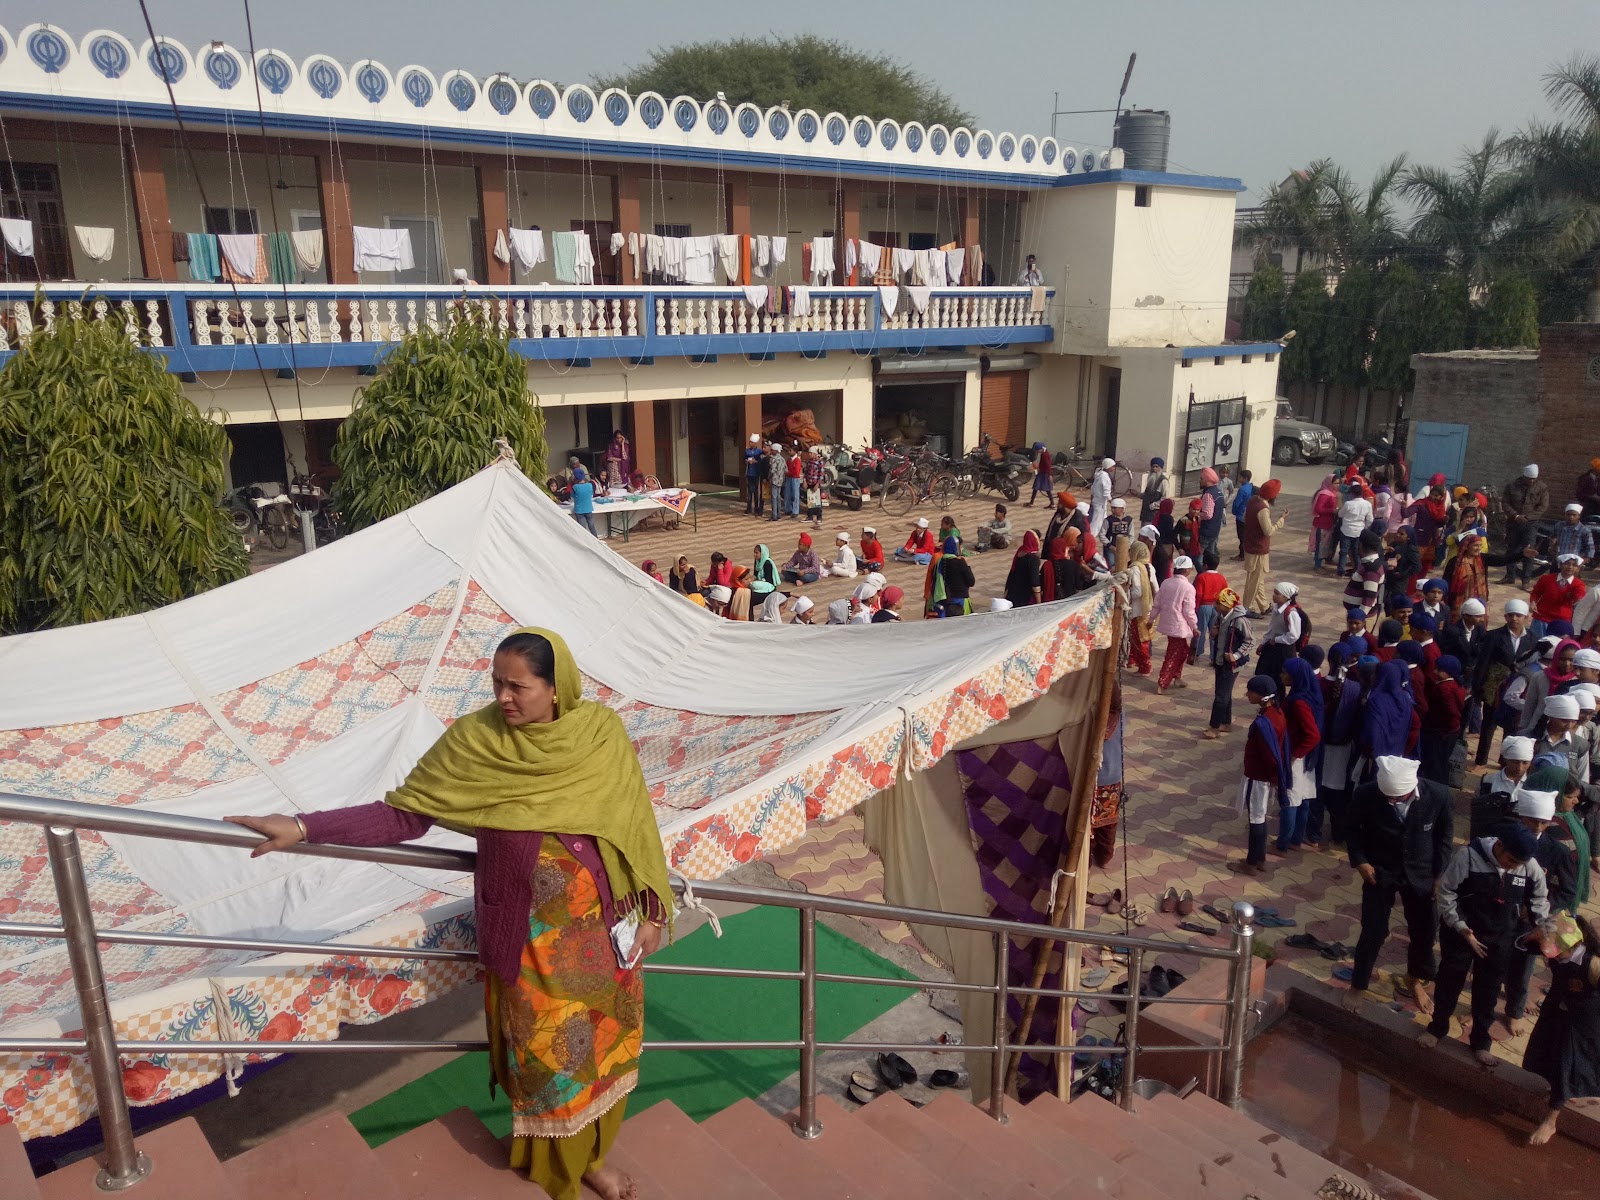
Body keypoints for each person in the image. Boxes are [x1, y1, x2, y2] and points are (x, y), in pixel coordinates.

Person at [227, 629, 671, 1200]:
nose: (504, 697)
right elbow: (404, 817)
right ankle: (558, 1172)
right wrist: (306, 827)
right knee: (552, 1063)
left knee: (606, 1048)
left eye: (518, 687)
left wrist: (652, 911)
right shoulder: (476, 741)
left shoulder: (600, 734)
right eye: (497, 684)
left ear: (557, 689)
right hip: (532, 948)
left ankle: (592, 1156)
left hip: (607, 937)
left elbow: (635, 824)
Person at [1422, 822, 1549, 1064]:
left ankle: (1481, 1041)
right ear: (1500, 846)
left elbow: (1538, 900)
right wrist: (1461, 928)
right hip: (1462, 933)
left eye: (1518, 864)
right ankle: (1437, 1028)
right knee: (1450, 982)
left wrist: (1543, 929)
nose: (1512, 867)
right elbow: (1447, 893)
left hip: (1501, 936)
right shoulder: (1468, 856)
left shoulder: (1528, 866)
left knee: (1488, 991)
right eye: (1510, 860)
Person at [1343, 755, 1455, 1014]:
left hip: (1421, 872)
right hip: (1379, 870)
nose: (1393, 802)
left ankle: (1414, 979)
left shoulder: (1439, 795)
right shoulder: (1366, 794)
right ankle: (1358, 985)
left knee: (1425, 932)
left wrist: (1439, 875)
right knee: (1373, 931)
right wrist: (1360, 861)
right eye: (1389, 799)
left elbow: (1445, 838)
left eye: (1399, 798)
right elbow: (1351, 829)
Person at [1522, 914, 1600, 1147]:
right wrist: (1532, 935)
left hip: (1583, 1025)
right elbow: (1522, 946)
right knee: (1549, 1055)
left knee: (1568, 1064)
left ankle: (1551, 1120)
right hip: (1558, 1014)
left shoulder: (1593, 964)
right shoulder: (1559, 956)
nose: (1548, 955)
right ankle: (1557, 1087)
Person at [1230, 674, 1290, 875]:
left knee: (1256, 818)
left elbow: (1269, 755)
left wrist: (1272, 777)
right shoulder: (1276, 713)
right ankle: (1260, 858)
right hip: (1264, 777)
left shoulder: (1266, 723)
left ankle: (1251, 862)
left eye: (1250, 691)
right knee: (1260, 816)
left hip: (1259, 778)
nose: (1247, 694)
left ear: (1261, 695)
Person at [1315, 643, 1364, 847]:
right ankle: (1338, 833)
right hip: (1343, 747)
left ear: (1329, 661)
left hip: (1321, 745)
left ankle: (1314, 832)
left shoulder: (1319, 685)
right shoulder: (1354, 688)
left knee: (1319, 788)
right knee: (1338, 792)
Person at [1474, 598, 1533, 765]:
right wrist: (1478, 689)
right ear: (1506, 616)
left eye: (1518, 615)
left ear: (1525, 618)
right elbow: (1483, 663)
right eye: (1511, 615)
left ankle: (1504, 760)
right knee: (1489, 724)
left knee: (1511, 726)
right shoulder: (1494, 636)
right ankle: (1481, 759)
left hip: (1517, 688)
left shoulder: (1533, 639)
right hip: (1495, 687)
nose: (1514, 618)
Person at [1278, 658, 1324, 853]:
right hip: (1309, 757)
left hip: (1297, 756)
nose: (1282, 676)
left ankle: (1283, 843)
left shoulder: (1298, 702)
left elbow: (1312, 734)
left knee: (1290, 799)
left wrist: (1294, 755)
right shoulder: (1309, 695)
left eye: (1284, 672)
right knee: (1303, 798)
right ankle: (1296, 839)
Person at [1206, 589, 1252, 739]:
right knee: (1223, 693)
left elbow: (1250, 641)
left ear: (1226, 605)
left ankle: (1214, 727)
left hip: (1231, 664)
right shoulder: (1221, 617)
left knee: (1221, 696)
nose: (1215, 605)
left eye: (1218, 603)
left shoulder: (1239, 620)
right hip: (1220, 661)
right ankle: (1225, 722)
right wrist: (1214, 633)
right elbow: (1219, 634)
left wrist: (1236, 655)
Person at [1152, 555, 1199, 695]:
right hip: (1179, 626)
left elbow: (1157, 603)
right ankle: (1162, 682)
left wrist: (1151, 619)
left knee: (1183, 651)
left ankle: (1177, 677)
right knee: (1173, 654)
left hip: (1168, 623)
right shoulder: (1188, 587)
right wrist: (1194, 626)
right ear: (1187, 570)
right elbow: (1188, 611)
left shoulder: (1166, 583)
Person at [1474, 735, 1536, 837]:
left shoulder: (1533, 785)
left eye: (1525, 763)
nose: (1520, 768)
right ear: (1506, 759)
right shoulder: (1488, 781)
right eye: (1515, 762)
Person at [1419, 654, 1467, 785]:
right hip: (1447, 732)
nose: (1435, 672)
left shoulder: (1444, 689)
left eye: (1439, 670)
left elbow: (1451, 713)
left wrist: (1447, 731)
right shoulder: (1456, 686)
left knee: (1436, 765)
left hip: (1440, 732)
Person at [1501, 464, 1550, 588]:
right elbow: (1505, 503)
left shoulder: (1542, 487)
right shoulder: (1512, 486)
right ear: (1524, 476)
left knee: (1529, 550)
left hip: (1531, 524)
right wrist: (1515, 516)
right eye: (1529, 478)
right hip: (1514, 522)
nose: (1531, 481)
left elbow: (1542, 506)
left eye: (1533, 479)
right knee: (1511, 549)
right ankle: (1510, 576)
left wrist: (1528, 517)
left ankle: (1526, 580)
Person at [1241, 479, 1287, 613]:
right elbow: (1268, 531)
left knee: (1258, 578)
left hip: (1250, 545)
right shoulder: (1263, 509)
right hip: (1258, 549)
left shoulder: (1253, 500)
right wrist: (1281, 520)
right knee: (1253, 582)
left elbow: (1245, 519)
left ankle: (1264, 606)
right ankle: (1246, 608)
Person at [1256, 582, 1305, 682]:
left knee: (1278, 678)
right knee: (1264, 673)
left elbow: (1294, 635)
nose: (1274, 595)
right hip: (1272, 647)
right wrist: (1263, 642)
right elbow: (1271, 628)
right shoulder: (1276, 609)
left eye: (1277, 594)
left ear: (1286, 596)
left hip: (1283, 651)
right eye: (1274, 592)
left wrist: (1277, 639)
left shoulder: (1291, 613)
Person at [1532, 553, 1587, 637]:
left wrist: (1576, 598)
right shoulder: (1546, 579)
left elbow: (1579, 597)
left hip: (1562, 622)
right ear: (1560, 565)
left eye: (1574, 565)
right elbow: (1536, 592)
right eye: (1567, 564)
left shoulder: (1579, 584)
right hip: (1542, 618)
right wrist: (1533, 602)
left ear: (1578, 569)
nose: (1570, 567)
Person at [1126, 541, 1157, 676]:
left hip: (1137, 610)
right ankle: (1135, 661)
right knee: (1142, 638)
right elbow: (1156, 588)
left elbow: (1137, 592)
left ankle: (1145, 667)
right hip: (1148, 608)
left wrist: (1125, 595)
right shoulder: (1149, 566)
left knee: (1139, 639)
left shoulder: (1134, 569)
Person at [1191, 552, 1227, 662]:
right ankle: (1214, 656)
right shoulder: (1221, 578)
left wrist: (1195, 608)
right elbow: (1225, 593)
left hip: (1203, 606)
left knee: (1200, 630)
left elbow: (1199, 594)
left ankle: (1196, 653)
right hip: (1217, 607)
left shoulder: (1202, 577)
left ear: (1205, 565)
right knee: (1215, 631)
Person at [1336, 482, 1374, 576]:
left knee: (1344, 551)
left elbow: (1340, 514)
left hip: (1346, 530)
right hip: (1359, 530)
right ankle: (1357, 570)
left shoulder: (1348, 504)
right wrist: (1365, 527)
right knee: (1357, 551)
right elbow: (1370, 519)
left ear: (1352, 493)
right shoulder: (1367, 504)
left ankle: (1340, 570)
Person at [937, 536, 975, 617]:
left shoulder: (940, 561)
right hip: (959, 599)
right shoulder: (960, 562)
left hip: (945, 598)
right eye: (960, 547)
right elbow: (971, 581)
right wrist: (967, 566)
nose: (961, 549)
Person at [1005, 531, 1043, 607]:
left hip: (1015, 591)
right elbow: (1034, 581)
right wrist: (1039, 602)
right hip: (1026, 595)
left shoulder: (1021, 551)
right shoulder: (1033, 559)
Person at [1310, 473, 1340, 571]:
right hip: (1322, 523)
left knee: (1325, 544)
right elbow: (1319, 509)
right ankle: (1317, 565)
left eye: (1338, 483)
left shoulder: (1332, 494)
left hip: (1328, 523)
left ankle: (1322, 561)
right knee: (1320, 544)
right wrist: (1332, 510)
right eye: (1335, 483)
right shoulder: (1324, 494)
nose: (1337, 485)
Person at [1230, 469, 1256, 561]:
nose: (1239, 478)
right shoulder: (1251, 487)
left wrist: (1234, 511)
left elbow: (1237, 503)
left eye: (1241, 477)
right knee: (1246, 535)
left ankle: (1242, 554)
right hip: (1248, 515)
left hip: (1241, 516)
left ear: (1245, 478)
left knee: (1241, 536)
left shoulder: (1242, 489)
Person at [1087, 458, 1115, 540]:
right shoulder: (1104, 477)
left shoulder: (1099, 474)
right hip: (1100, 503)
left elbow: (1093, 488)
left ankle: (1104, 536)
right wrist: (1112, 502)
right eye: (1113, 466)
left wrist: (1092, 498)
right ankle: (1090, 538)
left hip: (1098, 502)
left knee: (1104, 521)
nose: (1114, 468)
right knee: (1096, 523)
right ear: (1108, 467)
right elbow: (1106, 492)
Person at [569, 467, 599, 537]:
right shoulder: (590, 485)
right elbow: (591, 494)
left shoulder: (575, 487)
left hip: (579, 511)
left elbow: (572, 496)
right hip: (589, 509)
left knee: (583, 529)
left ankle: (586, 543)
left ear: (575, 477)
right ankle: (596, 540)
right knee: (592, 526)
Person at [802, 447, 827, 527]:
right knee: (810, 501)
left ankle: (819, 518)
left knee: (817, 502)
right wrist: (805, 481)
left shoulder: (820, 462)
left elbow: (821, 474)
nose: (809, 455)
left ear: (815, 453)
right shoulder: (809, 462)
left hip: (816, 484)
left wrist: (817, 484)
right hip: (809, 483)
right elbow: (806, 472)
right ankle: (810, 516)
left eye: (811, 453)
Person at [749, 544, 780, 609]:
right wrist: (749, 580)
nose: (754, 554)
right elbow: (755, 574)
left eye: (756, 553)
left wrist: (757, 581)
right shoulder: (757, 561)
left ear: (762, 553)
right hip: (761, 581)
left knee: (754, 584)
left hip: (768, 584)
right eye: (754, 553)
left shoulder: (767, 563)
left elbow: (768, 579)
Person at [1140, 458, 1169, 524]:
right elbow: (1147, 495)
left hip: (1154, 513)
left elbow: (1165, 498)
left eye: (1156, 467)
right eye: (1153, 466)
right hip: (1145, 513)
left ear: (1160, 468)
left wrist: (1153, 505)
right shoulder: (1151, 479)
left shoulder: (1163, 481)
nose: (1154, 469)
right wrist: (1137, 494)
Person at [744, 433, 765, 515]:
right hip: (749, 473)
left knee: (756, 491)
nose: (750, 443)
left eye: (752, 442)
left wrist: (755, 461)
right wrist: (747, 461)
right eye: (750, 442)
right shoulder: (747, 451)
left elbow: (761, 461)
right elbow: (744, 458)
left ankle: (756, 507)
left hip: (756, 473)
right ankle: (749, 508)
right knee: (749, 491)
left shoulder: (759, 451)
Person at [1028, 442, 1053, 507]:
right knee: (1047, 489)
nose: (1037, 451)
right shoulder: (1046, 453)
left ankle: (1031, 503)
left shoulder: (1044, 455)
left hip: (1043, 473)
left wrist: (1049, 474)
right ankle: (1052, 503)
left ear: (1041, 449)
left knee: (1036, 487)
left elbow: (1048, 465)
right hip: (1043, 472)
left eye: (1037, 450)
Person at [766, 440, 786, 522]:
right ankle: (779, 515)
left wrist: (768, 477)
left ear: (775, 451)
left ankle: (774, 515)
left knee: (773, 498)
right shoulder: (782, 459)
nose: (771, 451)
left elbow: (772, 470)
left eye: (772, 450)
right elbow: (786, 469)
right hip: (780, 480)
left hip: (774, 480)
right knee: (778, 497)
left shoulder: (773, 459)